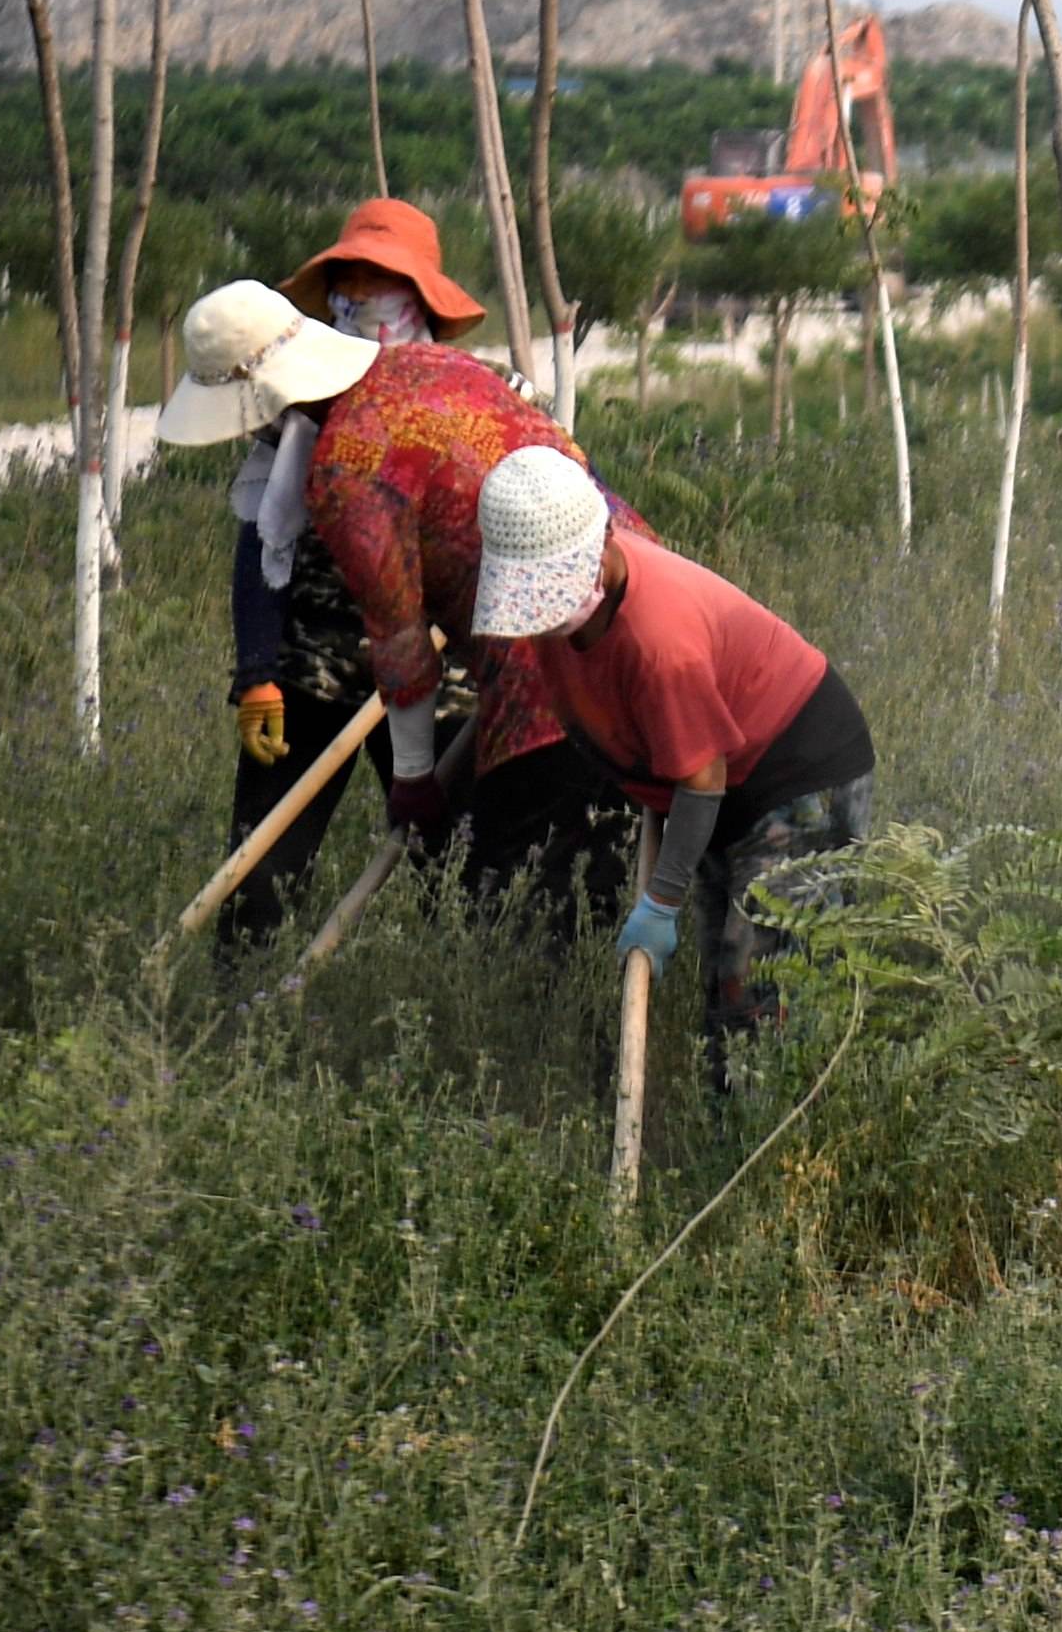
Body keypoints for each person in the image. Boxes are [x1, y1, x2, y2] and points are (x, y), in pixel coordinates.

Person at [470, 449, 874, 1077]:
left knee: (762, 982)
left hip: (796, 773)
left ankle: (781, 1154)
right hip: (720, 780)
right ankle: (729, 1135)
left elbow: (701, 779)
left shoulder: (660, 643)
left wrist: (661, 900)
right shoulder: (559, 626)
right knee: (725, 978)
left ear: (604, 546)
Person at [275, 217, 628, 925]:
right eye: (350, 295)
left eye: (384, 294)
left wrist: (412, 773)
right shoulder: (302, 414)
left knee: (474, 857)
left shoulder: (491, 385)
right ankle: (238, 985)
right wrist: (257, 664)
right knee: (274, 850)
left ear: (421, 303)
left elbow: (567, 499)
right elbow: (260, 547)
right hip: (321, 659)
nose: (366, 311)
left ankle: (484, 981)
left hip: (466, 662)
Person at [152, 281, 384, 959]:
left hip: (432, 673)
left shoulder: (394, 412)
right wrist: (257, 673)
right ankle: (239, 1011)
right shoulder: (287, 433)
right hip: (310, 669)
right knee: (259, 873)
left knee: (446, 851)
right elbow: (261, 540)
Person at [285, 193, 486, 350]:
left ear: (418, 294)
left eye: (377, 279)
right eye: (346, 280)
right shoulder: (305, 383)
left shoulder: (462, 382)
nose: (357, 294)